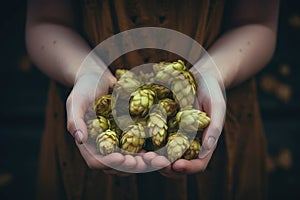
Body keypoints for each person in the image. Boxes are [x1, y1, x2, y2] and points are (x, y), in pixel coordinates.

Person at [26, 0, 279, 199]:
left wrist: (211, 73)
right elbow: (46, 21)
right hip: (82, 119)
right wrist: (86, 72)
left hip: (222, 116)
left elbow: (257, 22)